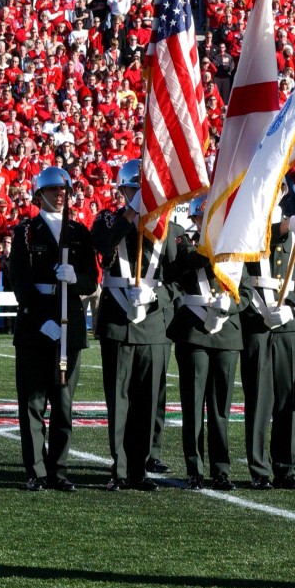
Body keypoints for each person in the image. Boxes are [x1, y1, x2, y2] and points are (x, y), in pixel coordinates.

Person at [8, 167, 98, 491]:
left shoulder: (78, 232)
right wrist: (37, 318)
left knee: (63, 403)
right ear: (39, 195)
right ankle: (35, 471)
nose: (60, 195)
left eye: (64, 191)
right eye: (53, 190)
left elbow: (91, 278)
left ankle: (58, 469)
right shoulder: (27, 232)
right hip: (36, 326)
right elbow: (18, 278)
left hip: (68, 324)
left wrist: (76, 279)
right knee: (33, 402)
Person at [91, 159, 179, 491]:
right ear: (124, 191)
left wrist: (155, 298)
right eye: (134, 190)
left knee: (146, 399)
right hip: (117, 319)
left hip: (152, 322)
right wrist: (131, 213)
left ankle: (140, 469)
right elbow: (102, 244)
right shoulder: (108, 217)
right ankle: (120, 468)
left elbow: (175, 278)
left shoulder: (165, 226)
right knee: (119, 398)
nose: (140, 195)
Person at [166, 195, 245, 490]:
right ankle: (194, 467)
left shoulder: (236, 249)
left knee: (221, 407)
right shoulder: (185, 242)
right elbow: (185, 263)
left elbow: (245, 290)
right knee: (193, 403)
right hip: (194, 331)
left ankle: (221, 469)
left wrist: (231, 305)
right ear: (197, 219)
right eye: (206, 218)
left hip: (226, 333)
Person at [239, 182, 295, 491]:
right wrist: (284, 226)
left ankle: (285, 468)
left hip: (287, 327)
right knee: (258, 398)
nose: (277, 191)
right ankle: (258, 469)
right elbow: (246, 265)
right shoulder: (250, 226)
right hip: (257, 321)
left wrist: (293, 308)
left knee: (287, 397)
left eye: (281, 187)